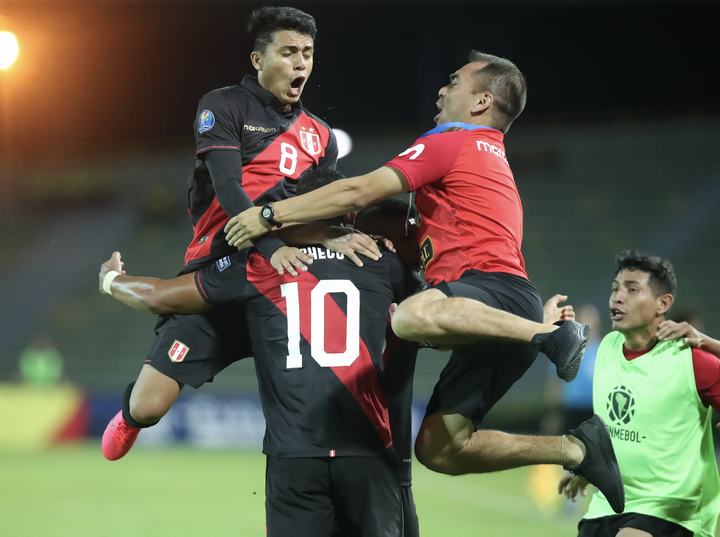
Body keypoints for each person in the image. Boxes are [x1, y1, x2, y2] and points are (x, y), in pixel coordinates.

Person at [222, 50, 624, 511]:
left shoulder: (452, 142)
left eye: (454, 81)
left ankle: (549, 338)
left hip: (494, 296)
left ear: (481, 101)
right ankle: (577, 448)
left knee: (410, 316)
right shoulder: (490, 157)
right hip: (504, 305)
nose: (442, 89)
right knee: (440, 448)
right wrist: (527, 316)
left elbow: (358, 190)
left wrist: (268, 215)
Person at [100, 6, 383, 461]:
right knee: (149, 407)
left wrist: (332, 234)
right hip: (219, 261)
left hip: (281, 273)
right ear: (258, 59)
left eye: (307, 53)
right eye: (288, 52)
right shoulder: (224, 105)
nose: (300, 63)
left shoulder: (321, 135)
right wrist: (269, 246)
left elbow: (323, 199)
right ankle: (130, 417)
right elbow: (230, 187)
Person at [99, 198, 422, 537]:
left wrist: (110, 279)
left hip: (294, 450)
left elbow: (159, 296)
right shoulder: (383, 263)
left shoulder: (258, 262)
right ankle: (133, 416)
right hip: (365, 450)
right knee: (147, 405)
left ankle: (135, 415)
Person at [559, 251, 720, 537]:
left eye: (632, 290)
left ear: (663, 303)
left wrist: (710, 343)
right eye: (615, 289)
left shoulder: (692, 360)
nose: (618, 297)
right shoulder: (607, 348)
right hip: (610, 503)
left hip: (672, 509)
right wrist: (589, 470)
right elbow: (612, 428)